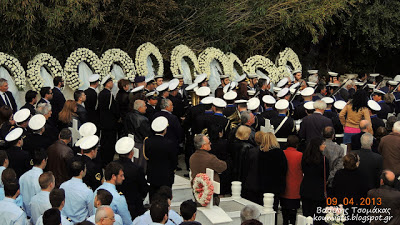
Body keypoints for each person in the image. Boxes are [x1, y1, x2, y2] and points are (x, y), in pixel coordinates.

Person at [114, 136, 149, 219]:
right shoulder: (137, 169)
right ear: (131, 153)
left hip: (116, 204)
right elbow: (143, 188)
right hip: (134, 205)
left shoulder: (112, 165)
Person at [145, 117, 178, 199]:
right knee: (165, 198)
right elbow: (174, 160)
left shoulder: (148, 141)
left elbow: (147, 155)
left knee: (153, 197)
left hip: (152, 174)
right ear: (165, 129)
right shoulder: (170, 143)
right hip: (166, 175)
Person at [257, 132, 287, 224]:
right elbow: (284, 168)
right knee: (273, 208)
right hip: (276, 184)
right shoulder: (279, 152)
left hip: (263, 184)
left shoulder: (260, 153)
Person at [332, 153, 369, 225]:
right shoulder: (362, 175)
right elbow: (365, 191)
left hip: (342, 207)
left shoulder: (339, 174)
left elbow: (334, 190)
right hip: (357, 208)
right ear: (356, 163)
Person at [190, 134, 227, 205]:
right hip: (210, 192)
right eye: (208, 143)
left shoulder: (192, 157)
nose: (210, 144)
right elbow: (223, 167)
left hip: (198, 189)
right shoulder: (210, 159)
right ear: (203, 146)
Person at [300, 137, 329, 224]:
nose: (325, 145)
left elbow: (303, 170)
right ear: (318, 146)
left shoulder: (305, 157)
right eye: (323, 144)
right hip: (318, 192)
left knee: (307, 215)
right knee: (318, 217)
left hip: (306, 189)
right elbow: (326, 175)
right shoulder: (324, 160)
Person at [60, 157, 94, 223]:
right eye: (85, 168)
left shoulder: (63, 186)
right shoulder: (87, 191)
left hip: (65, 222)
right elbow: (91, 212)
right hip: (81, 222)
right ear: (81, 172)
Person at [123, 100, 152, 171]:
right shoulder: (143, 119)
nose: (146, 108)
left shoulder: (128, 115)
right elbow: (147, 133)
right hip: (140, 143)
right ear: (139, 108)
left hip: (130, 142)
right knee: (140, 165)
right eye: (145, 106)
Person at [280, 135, 303, 225]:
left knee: (284, 211)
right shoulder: (300, 155)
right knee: (293, 214)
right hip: (296, 187)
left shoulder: (282, 153)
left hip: (284, 186)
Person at [98, 75, 120, 167]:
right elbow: (113, 109)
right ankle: (108, 161)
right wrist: (118, 117)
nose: (112, 84)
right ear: (108, 83)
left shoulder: (101, 93)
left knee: (104, 142)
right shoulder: (109, 94)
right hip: (110, 123)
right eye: (111, 82)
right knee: (110, 143)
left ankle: (103, 161)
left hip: (103, 122)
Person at [19, 149, 47, 217]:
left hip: (25, 215)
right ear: (43, 161)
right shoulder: (43, 179)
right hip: (39, 215)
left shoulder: (23, 177)